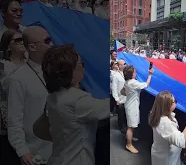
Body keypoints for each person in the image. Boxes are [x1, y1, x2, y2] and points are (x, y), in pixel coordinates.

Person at [40, 45, 110, 165]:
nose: (83, 67)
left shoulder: (53, 97)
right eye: (81, 63)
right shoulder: (78, 100)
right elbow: (107, 107)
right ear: (69, 71)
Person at [5, 26, 53, 165]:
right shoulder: (18, 79)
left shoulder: (59, 72)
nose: (51, 44)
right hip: (37, 155)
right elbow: (14, 120)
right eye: (47, 41)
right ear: (32, 47)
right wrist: (22, 150)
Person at [0, 29, 27, 164]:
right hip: (10, 121)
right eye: (17, 40)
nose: (22, 42)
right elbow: (6, 86)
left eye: (23, 39)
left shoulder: (31, 63)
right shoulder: (2, 65)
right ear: (8, 46)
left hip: (30, 118)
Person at [149, 91, 186, 165]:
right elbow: (181, 141)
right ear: (168, 106)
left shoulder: (155, 113)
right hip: (167, 158)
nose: (176, 103)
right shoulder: (165, 123)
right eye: (175, 101)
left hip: (160, 152)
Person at [122, 65, 154, 153]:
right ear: (132, 74)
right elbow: (146, 85)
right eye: (135, 72)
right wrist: (150, 75)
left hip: (129, 105)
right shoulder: (133, 83)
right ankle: (129, 144)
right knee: (131, 127)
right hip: (132, 106)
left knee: (131, 124)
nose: (136, 73)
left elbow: (123, 91)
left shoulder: (127, 82)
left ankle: (130, 137)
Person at [111, 59, 127, 133]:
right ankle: (122, 127)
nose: (126, 65)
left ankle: (126, 127)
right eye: (124, 64)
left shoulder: (127, 74)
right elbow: (114, 88)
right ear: (120, 66)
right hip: (120, 99)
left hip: (127, 98)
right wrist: (116, 99)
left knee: (126, 114)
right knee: (121, 114)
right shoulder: (116, 76)